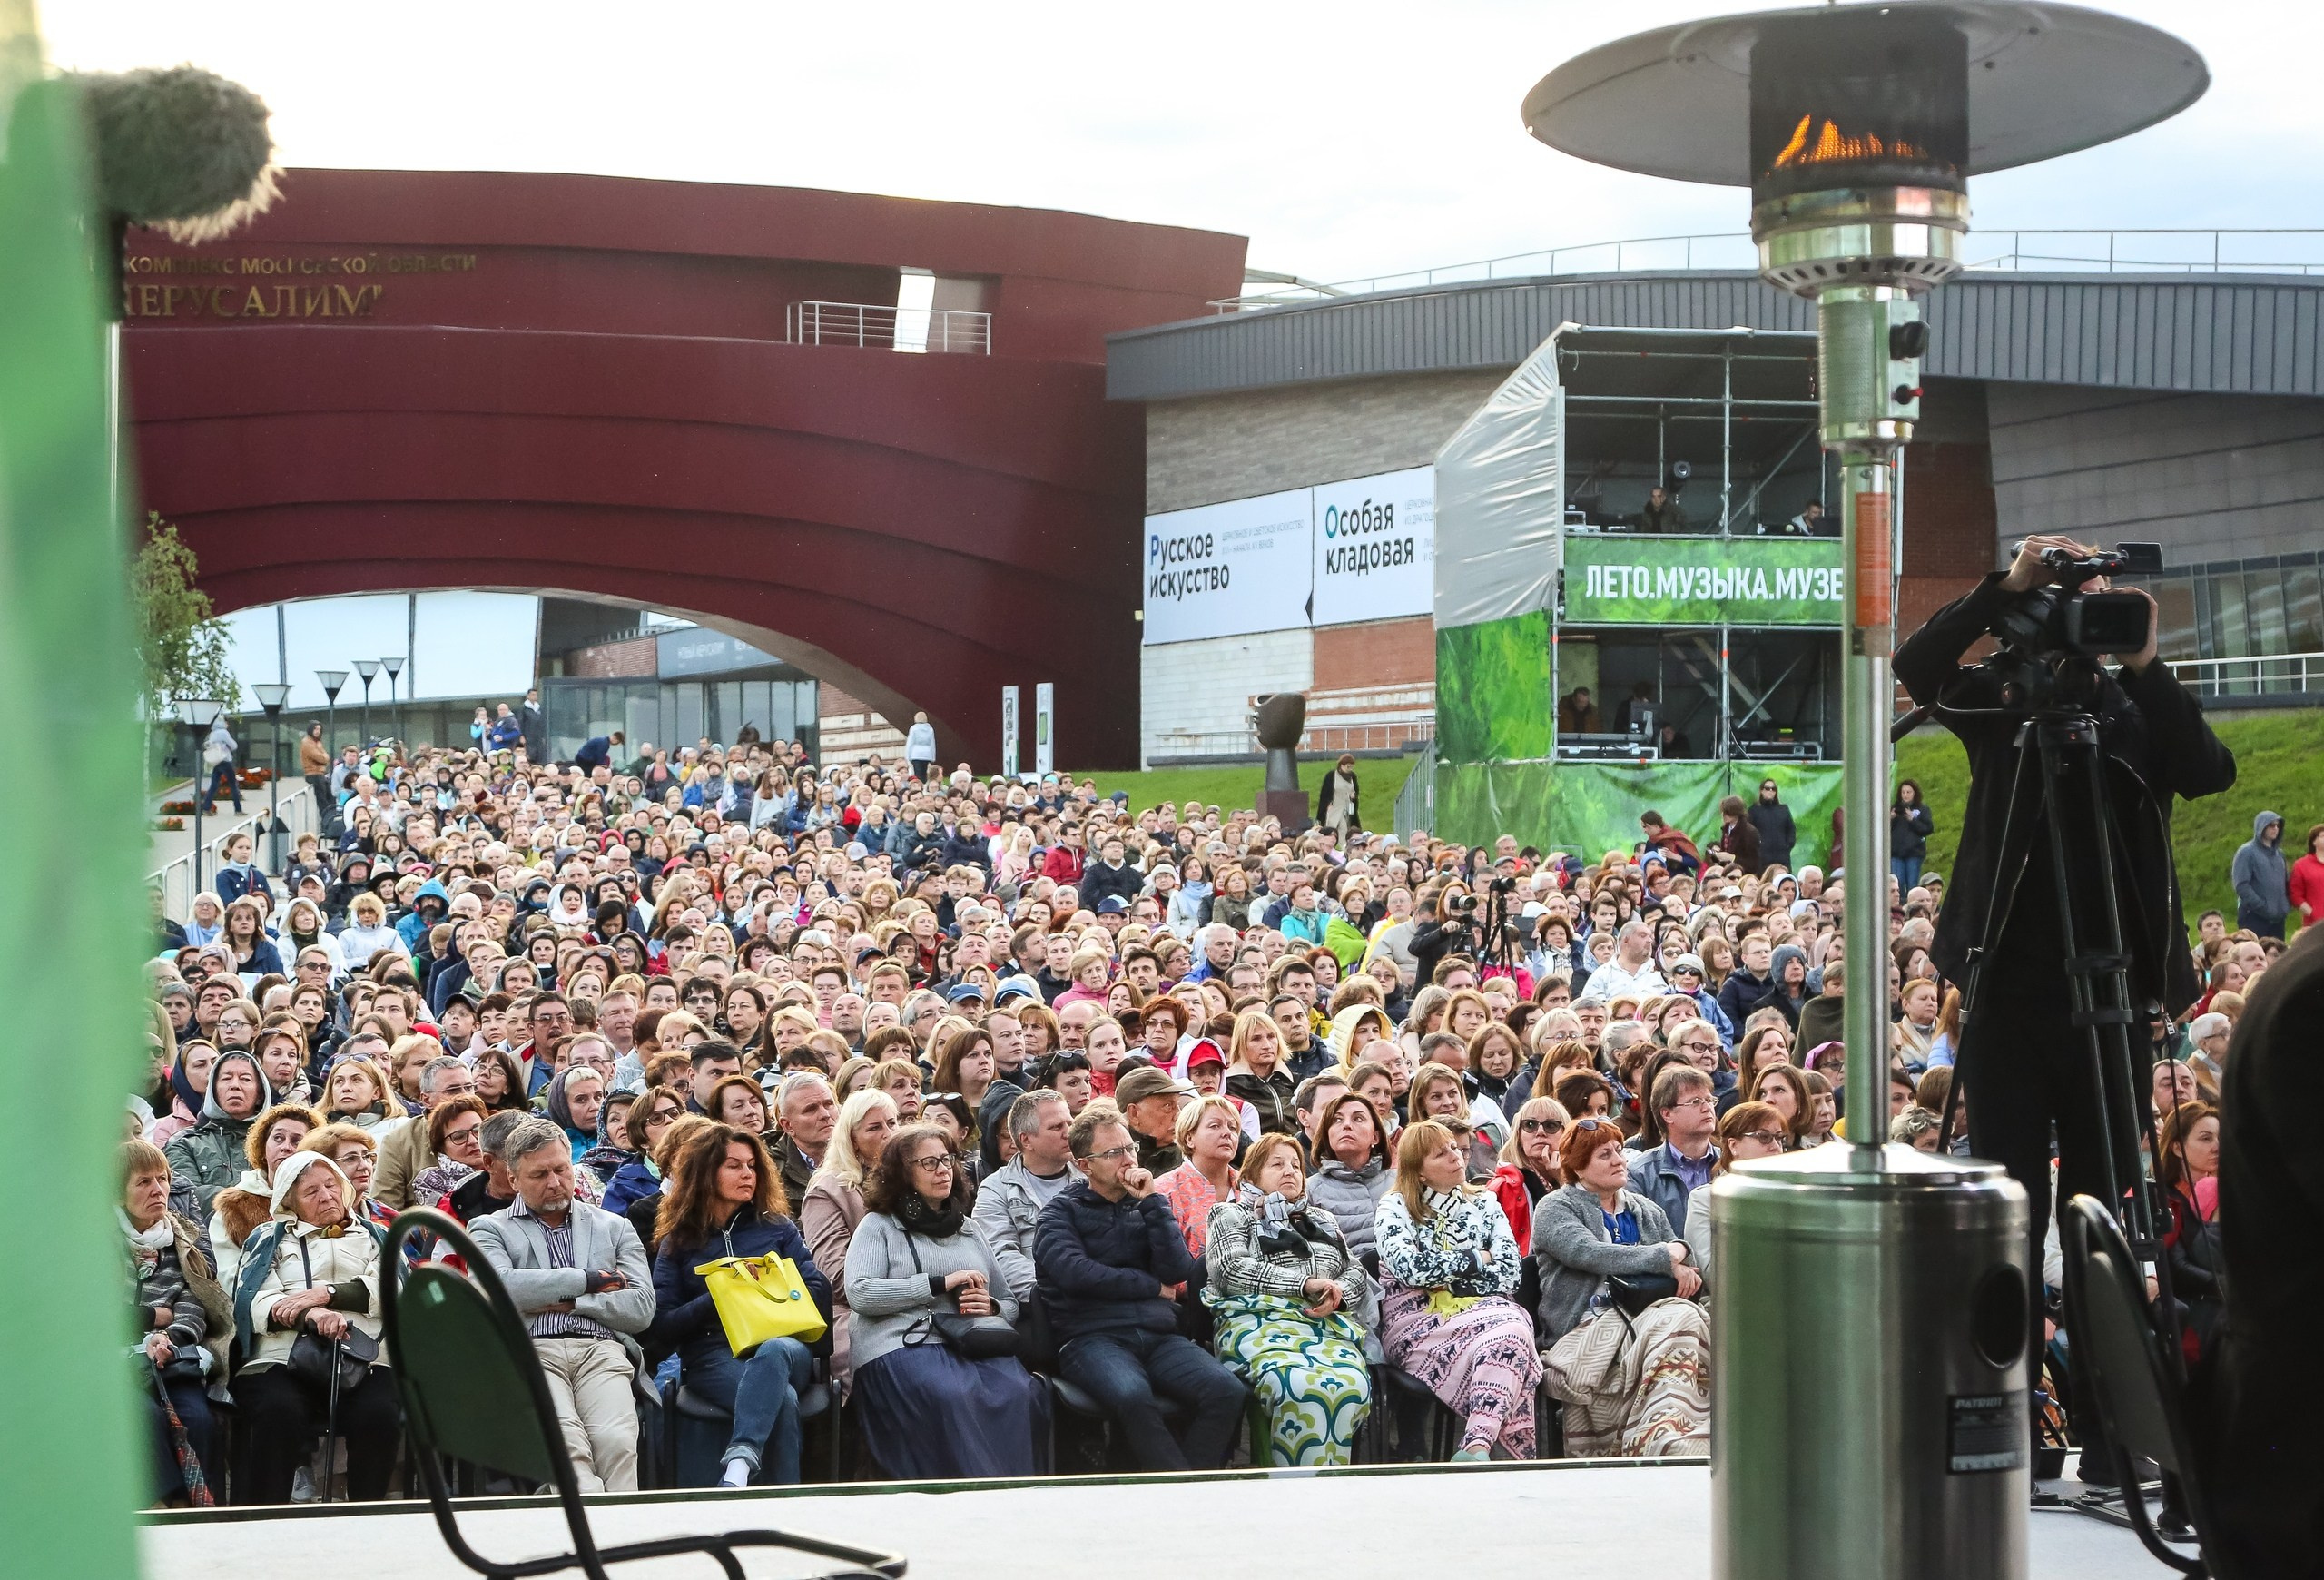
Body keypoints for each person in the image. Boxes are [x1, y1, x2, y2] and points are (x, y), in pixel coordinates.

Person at [1896, 530, 2235, 1469]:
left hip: (2114, 991)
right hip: (2008, 991)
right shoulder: (2002, 705)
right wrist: (2002, 585)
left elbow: (2209, 771)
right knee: (2009, 1213)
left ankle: (2108, 1424)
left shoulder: (2133, 710)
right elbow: (1918, 665)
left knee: (2103, 1216)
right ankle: (2009, 1426)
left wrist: (2146, 661)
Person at [1033, 1104, 1247, 1471]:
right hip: (1091, 1337)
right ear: (1086, 1165)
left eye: (1130, 1147)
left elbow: (1178, 1268)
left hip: (1159, 1335)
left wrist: (1152, 1204)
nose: (1128, 1159)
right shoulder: (1058, 1214)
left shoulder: (1147, 1205)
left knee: (1227, 1391)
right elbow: (1077, 1274)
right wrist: (1150, 1287)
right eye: (1114, 1153)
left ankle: (1188, 1487)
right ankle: (1181, 1489)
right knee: (1134, 1397)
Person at [843, 1123, 1045, 1477]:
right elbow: (860, 1292)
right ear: (902, 1173)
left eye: (948, 1160)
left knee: (1020, 1390)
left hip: (969, 1342)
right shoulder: (879, 1226)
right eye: (929, 1163)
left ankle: (1015, 1498)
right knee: (948, 1394)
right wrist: (936, 1284)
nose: (943, 1170)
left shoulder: (969, 1228)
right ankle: (961, 1496)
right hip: (901, 1344)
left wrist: (991, 1307)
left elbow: (1008, 1302)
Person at [469, 1121, 656, 1492]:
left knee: (616, 1443)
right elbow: (498, 1288)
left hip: (601, 1350)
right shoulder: (489, 1228)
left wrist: (571, 1302)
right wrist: (590, 1280)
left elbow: (641, 1307)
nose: (555, 1182)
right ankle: (586, 1540)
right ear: (514, 1177)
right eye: (539, 1174)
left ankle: (620, 1540)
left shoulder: (614, 1227)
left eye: (561, 1169)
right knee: (566, 1444)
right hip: (530, 1351)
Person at [649, 1122, 832, 1487]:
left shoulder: (778, 1227)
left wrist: (768, 1283)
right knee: (782, 1402)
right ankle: (772, 1496)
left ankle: (736, 1472)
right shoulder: (679, 1241)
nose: (747, 1173)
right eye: (734, 1165)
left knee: (775, 1350)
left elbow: (819, 1290)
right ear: (705, 1173)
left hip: (787, 1346)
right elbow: (662, 1328)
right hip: (713, 1356)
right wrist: (719, 1297)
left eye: (752, 1165)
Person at [1533, 1118, 1709, 1457]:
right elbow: (1586, 1252)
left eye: (1618, 1151)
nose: (1618, 1159)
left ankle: (1672, 1428)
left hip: (1647, 1318)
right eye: (1604, 1154)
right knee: (1679, 1320)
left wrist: (1681, 1254)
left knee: (1686, 1318)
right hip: (1585, 1326)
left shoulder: (1643, 1208)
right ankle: (1659, 1437)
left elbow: (1675, 1245)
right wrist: (1665, 1257)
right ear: (1578, 1167)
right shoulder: (1556, 1207)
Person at [228, 1152, 399, 1503]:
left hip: (368, 1357)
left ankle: (369, 1518)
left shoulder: (376, 1235)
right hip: (282, 1357)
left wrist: (328, 1295)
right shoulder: (269, 1238)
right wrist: (311, 1316)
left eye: (331, 1184)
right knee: (277, 1408)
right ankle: (263, 1517)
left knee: (379, 1412)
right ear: (289, 1202)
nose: (326, 1196)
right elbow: (252, 1299)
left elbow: (394, 1287)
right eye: (311, 1192)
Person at [1203, 1131, 1374, 1466]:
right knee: (1298, 1384)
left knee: (1351, 1384)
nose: (1290, 1171)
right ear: (1252, 1176)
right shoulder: (1230, 1214)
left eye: (1296, 1165)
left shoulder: (1321, 1220)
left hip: (1322, 1328)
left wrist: (1337, 1296)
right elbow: (1230, 1269)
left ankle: (1326, 1488)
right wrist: (1303, 1284)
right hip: (1257, 1324)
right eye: (1277, 1164)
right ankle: (1290, 1486)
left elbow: (1355, 1272)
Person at [1373, 1119, 1540, 1461]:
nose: (1456, 1156)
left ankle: (1476, 1444)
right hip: (1417, 1320)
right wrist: (1479, 1256)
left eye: (1454, 1147)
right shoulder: (1395, 1207)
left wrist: (1448, 1277)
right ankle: (1496, 1456)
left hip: (1491, 1313)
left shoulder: (1485, 1204)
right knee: (1513, 1337)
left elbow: (1509, 1274)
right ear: (1419, 1172)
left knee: (1509, 1333)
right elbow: (1411, 1270)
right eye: (1441, 1153)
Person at [123, 1139, 229, 1506]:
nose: (158, 1190)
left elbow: (195, 1301)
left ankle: (200, 1510)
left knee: (197, 1418)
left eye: (163, 1179)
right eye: (144, 1182)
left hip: (171, 1357)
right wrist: (152, 1316)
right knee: (143, 1418)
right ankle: (165, 1508)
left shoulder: (181, 1240)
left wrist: (169, 1335)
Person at [798, 1088, 899, 1393]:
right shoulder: (828, 1190)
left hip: (919, 1304)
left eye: (893, 1123)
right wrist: (914, 1286)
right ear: (852, 1139)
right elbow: (837, 1279)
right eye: (875, 1127)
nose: (889, 1134)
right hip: (855, 1313)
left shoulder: (917, 1180)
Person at [972, 1089, 1076, 1306]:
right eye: (1057, 1127)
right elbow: (1000, 1256)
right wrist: (1057, 1292)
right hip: (1044, 1304)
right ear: (1026, 1140)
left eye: (1070, 1123)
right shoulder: (995, 1188)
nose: (1069, 1133)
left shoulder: (1091, 1174)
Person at [1680, 1101, 1787, 1278]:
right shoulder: (1705, 1199)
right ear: (1733, 1146)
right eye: (1764, 1137)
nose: (1775, 1146)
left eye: (1779, 1137)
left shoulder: (1791, 1195)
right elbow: (1708, 1271)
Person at [164, 1050, 271, 1217]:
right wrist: (250, 1200)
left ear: (260, 1094)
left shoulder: (277, 1141)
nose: (235, 1085)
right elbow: (184, 1196)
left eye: (245, 1079)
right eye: (226, 1078)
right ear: (212, 1091)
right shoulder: (184, 1142)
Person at [1623, 1065, 1718, 1231]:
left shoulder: (1731, 1165)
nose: (1707, 1108)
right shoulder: (1640, 1174)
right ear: (1667, 1114)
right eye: (1695, 1102)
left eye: (1710, 1100)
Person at [1305, 1089, 1394, 1258]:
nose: (1346, 1125)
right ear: (1327, 1135)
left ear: (1376, 1137)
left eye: (1358, 1118)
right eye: (1337, 1120)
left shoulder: (1401, 1182)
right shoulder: (1310, 1191)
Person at [2231, 810, 2290, 939]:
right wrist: (2261, 906)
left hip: (2278, 919)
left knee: (2278, 956)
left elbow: (2285, 882)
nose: (2275, 829)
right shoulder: (2247, 852)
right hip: (2254, 916)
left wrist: (2284, 906)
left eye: (2277, 826)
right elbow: (2241, 885)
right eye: (2271, 825)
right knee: (2253, 954)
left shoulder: (2280, 855)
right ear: (2261, 826)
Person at [1890, 779, 1934, 894]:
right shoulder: (1894, 809)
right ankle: (1899, 908)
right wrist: (1890, 818)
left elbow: (1928, 828)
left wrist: (1912, 820)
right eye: (1903, 792)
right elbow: (1883, 829)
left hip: (1914, 853)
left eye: (1908, 792)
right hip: (1896, 853)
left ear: (1915, 793)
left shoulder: (1923, 809)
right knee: (1897, 883)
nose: (1905, 795)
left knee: (1912, 884)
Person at [1748, 777, 1797, 874]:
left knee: (1784, 884)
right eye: (1767, 788)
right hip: (1762, 859)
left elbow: (1791, 830)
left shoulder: (1783, 810)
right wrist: (1758, 848)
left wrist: (1787, 846)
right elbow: (1748, 832)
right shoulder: (1754, 810)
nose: (1770, 791)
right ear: (1761, 791)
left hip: (1782, 858)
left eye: (1773, 789)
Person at [1315, 754, 1361, 839]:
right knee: (1330, 829)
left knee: (1344, 829)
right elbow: (1325, 793)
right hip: (1334, 807)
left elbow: (1356, 790)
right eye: (1348, 766)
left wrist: (1354, 795)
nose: (1350, 769)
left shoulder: (1353, 776)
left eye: (1351, 767)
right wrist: (1327, 805)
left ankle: (1343, 849)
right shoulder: (1331, 775)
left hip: (1346, 808)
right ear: (1342, 765)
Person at [2290, 822, 2324, 933]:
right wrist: (2312, 913)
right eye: (2323, 836)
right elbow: (2296, 895)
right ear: (2314, 841)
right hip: (2314, 924)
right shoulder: (2302, 865)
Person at [903, 712, 939, 785]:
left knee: (918, 773)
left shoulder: (913, 728)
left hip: (915, 754)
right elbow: (932, 743)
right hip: (927, 754)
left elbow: (910, 743)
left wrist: (907, 756)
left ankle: (919, 786)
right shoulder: (930, 729)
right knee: (924, 773)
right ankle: (924, 784)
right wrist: (933, 757)